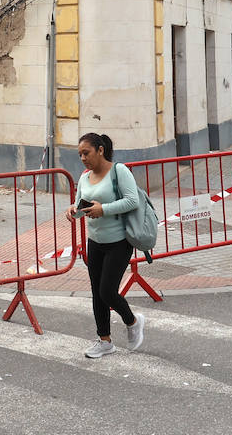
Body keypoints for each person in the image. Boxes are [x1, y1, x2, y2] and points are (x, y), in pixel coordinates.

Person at [66, 132, 143, 358]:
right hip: (95, 242)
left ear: (100, 150)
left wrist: (104, 209)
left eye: (86, 153)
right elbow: (81, 205)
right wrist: (74, 210)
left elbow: (132, 200)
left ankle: (133, 321)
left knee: (107, 291)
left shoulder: (119, 171)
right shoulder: (84, 177)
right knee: (96, 293)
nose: (82, 158)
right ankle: (105, 341)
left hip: (118, 242)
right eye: (80, 154)